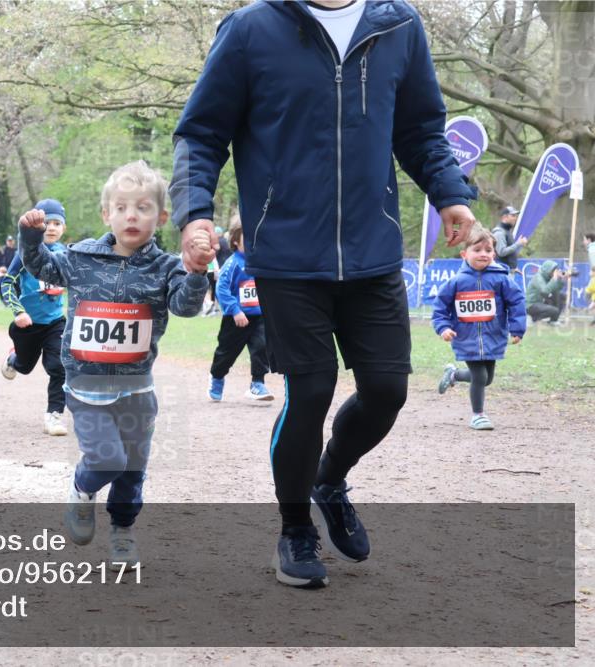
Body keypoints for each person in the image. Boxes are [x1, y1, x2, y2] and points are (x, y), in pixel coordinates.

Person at [170, 0, 480, 588]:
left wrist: (450, 195)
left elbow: (420, 132)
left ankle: (329, 479)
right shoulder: (251, 29)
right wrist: (195, 213)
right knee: (309, 392)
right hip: (286, 256)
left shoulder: (398, 25)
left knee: (386, 392)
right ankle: (295, 529)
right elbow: (201, 133)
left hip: (373, 252)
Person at [20, 161, 211, 568]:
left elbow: (186, 307)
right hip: (85, 383)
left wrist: (196, 272)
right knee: (108, 460)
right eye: (122, 207)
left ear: (161, 218)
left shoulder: (166, 267)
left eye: (143, 208)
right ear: (107, 214)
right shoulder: (81, 257)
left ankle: (122, 531)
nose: (131, 216)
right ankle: (82, 489)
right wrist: (30, 237)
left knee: (132, 470)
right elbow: (40, 266)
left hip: (137, 388)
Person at [434, 224, 526, 430]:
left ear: (494, 253)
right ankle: (478, 415)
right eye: (477, 250)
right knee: (480, 376)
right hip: (465, 338)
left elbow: (517, 302)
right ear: (464, 254)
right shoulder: (456, 282)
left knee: (487, 379)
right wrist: (443, 328)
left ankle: (454, 374)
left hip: (493, 337)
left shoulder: (502, 279)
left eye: (488, 250)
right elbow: (440, 308)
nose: (483, 254)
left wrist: (517, 328)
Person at [0, 198, 70, 437]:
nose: (51, 228)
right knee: (25, 366)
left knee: (59, 366)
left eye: (57, 224)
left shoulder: (66, 254)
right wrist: (18, 311)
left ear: (64, 228)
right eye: (46, 223)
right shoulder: (25, 254)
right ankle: (14, 359)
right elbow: (6, 283)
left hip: (55, 323)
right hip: (28, 324)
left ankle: (54, 415)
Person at [207, 216, 273, 402]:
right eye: (248, 237)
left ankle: (257, 383)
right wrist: (235, 310)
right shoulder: (233, 263)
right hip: (235, 319)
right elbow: (221, 289)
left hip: (259, 317)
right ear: (236, 240)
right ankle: (217, 377)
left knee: (261, 348)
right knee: (226, 353)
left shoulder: (261, 263)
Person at [525, 260, 567, 326]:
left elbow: (556, 290)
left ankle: (554, 320)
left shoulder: (548, 277)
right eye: (553, 270)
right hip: (531, 305)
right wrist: (554, 279)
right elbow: (545, 291)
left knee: (561, 296)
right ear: (548, 270)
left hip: (541, 302)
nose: (555, 272)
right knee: (554, 310)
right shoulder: (538, 277)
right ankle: (532, 318)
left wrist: (560, 280)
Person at [492, 205, 528, 272]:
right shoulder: (499, 232)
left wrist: (513, 268)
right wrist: (518, 243)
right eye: (513, 216)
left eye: (516, 216)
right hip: (502, 272)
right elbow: (502, 252)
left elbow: (509, 254)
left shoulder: (506, 231)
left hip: (508, 271)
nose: (515, 218)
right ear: (504, 217)